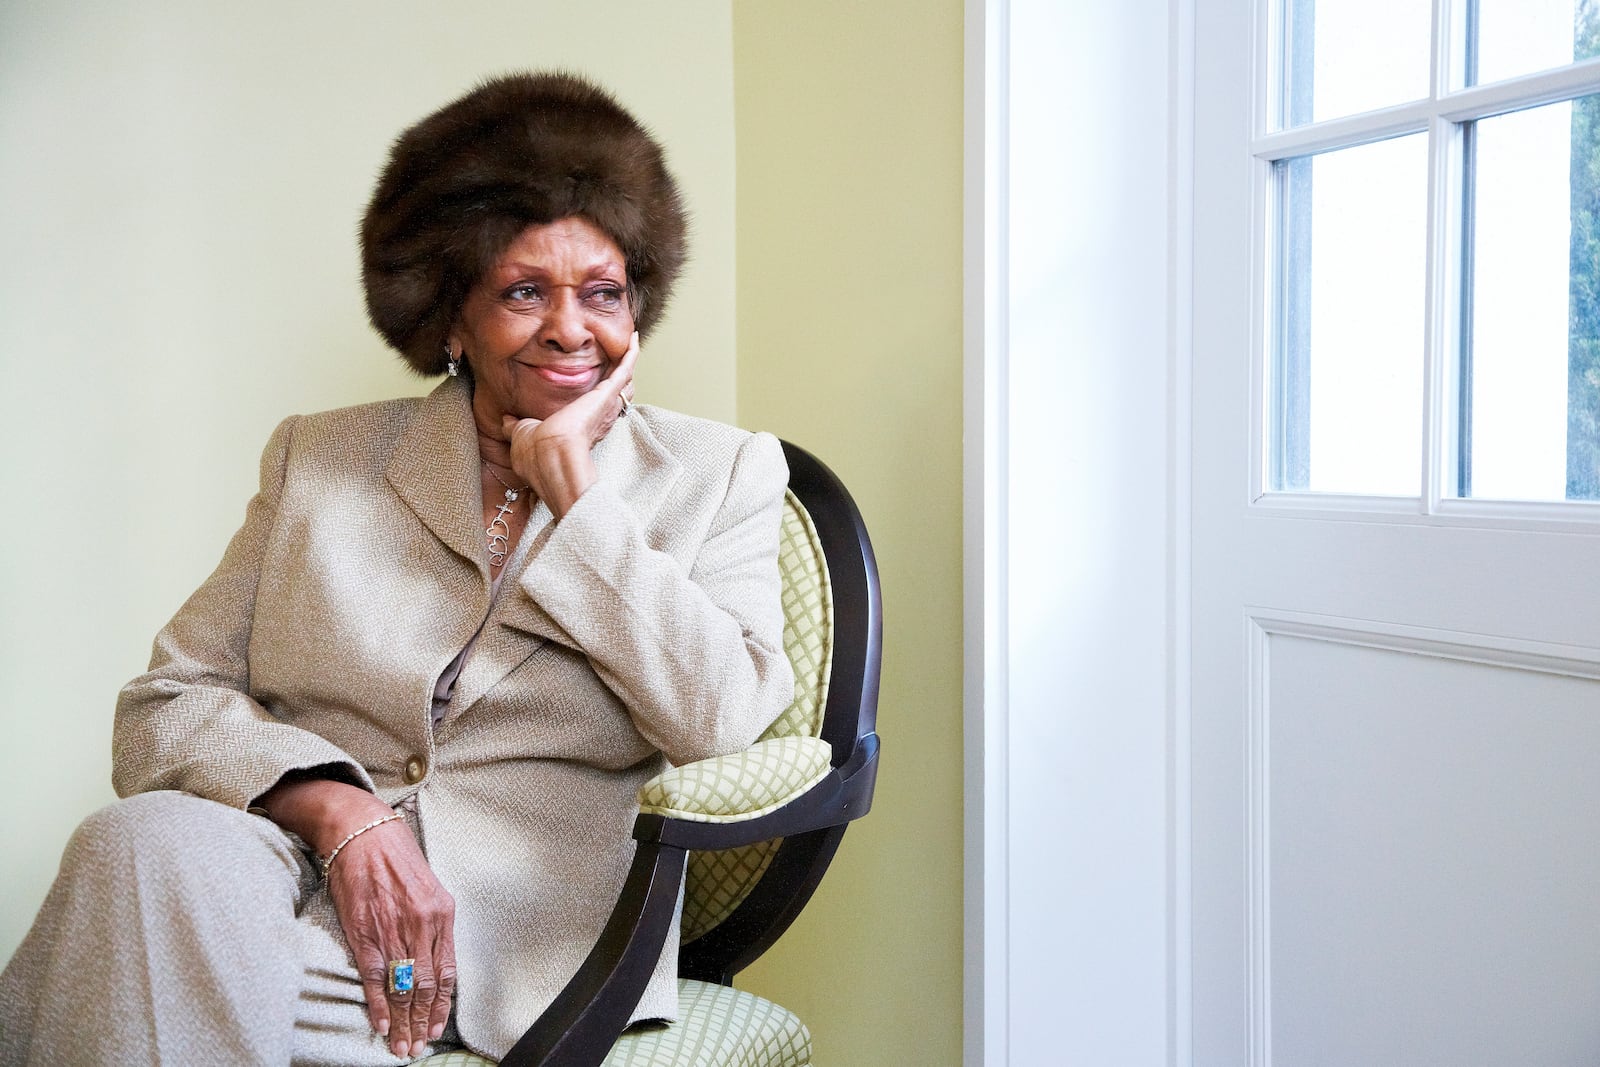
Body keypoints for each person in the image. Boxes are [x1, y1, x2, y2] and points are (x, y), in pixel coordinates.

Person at [0, 72, 794, 1066]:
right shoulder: (319, 459)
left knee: (121, 976)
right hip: (272, 878)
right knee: (135, 847)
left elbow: (719, 715)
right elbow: (163, 706)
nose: (568, 327)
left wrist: (578, 504)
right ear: (450, 320)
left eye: (602, 293)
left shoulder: (718, 474)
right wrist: (336, 806)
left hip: (506, 937)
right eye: (521, 291)